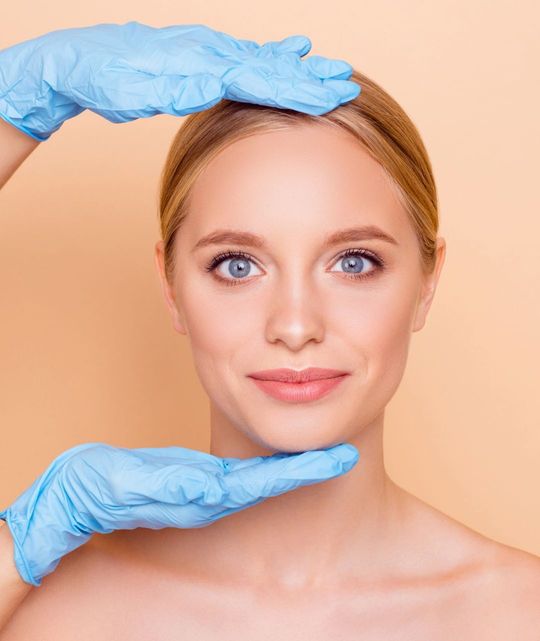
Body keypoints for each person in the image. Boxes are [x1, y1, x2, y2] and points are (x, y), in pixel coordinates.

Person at [0, 21, 539, 641]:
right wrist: (16, 104)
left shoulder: (522, 614)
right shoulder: (49, 610)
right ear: (171, 287)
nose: (294, 325)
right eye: (237, 265)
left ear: (426, 283)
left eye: (354, 262)